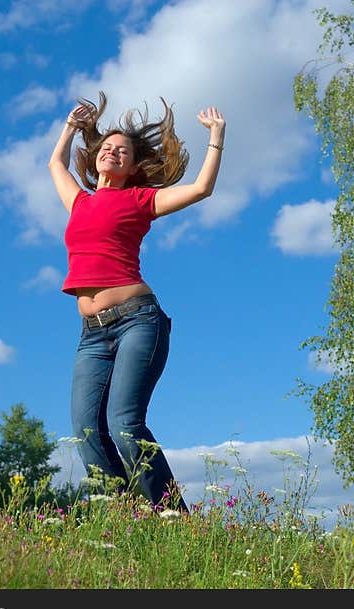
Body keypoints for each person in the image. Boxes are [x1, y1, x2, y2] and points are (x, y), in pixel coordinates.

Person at [48, 91, 225, 513]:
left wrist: (216, 136)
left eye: (121, 150)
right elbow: (55, 163)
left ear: (131, 165)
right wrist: (71, 128)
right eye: (106, 147)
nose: (112, 152)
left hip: (137, 322)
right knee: (86, 431)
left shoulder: (140, 200)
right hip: (90, 335)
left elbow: (201, 189)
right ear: (95, 159)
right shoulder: (79, 201)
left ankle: (173, 519)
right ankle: (123, 516)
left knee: (124, 425)